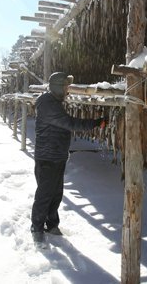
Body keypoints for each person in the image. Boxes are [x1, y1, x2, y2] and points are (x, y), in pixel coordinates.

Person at [30, 72, 105, 244]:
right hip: (47, 157)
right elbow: (70, 123)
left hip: (57, 156)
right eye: (65, 86)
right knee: (44, 194)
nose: (67, 89)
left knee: (56, 193)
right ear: (57, 86)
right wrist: (95, 122)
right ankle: (37, 227)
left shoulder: (53, 102)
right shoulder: (48, 104)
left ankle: (52, 224)